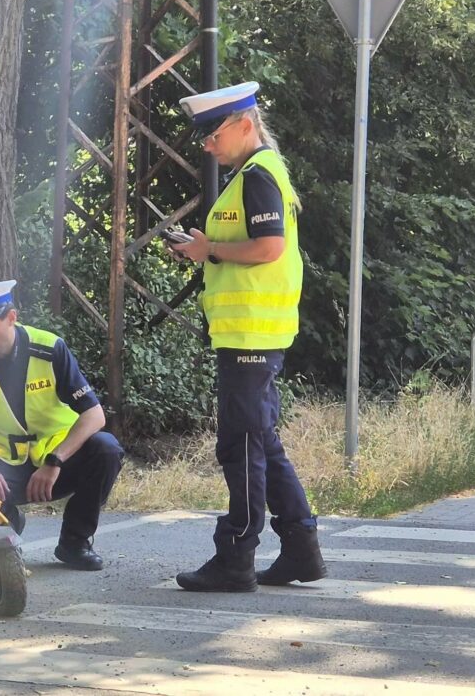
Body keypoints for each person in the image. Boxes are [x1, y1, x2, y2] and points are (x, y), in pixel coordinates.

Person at [168, 81, 328, 592]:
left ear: (244, 124)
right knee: (261, 441)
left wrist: (208, 250)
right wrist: (206, 247)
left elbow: (268, 248)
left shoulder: (258, 175)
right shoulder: (252, 174)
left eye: (212, 135)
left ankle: (236, 555)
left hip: (253, 334)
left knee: (240, 445)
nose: (206, 146)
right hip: (251, 332)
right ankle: (302, 549)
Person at [0, 280, 124, 571]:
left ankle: (74, 543)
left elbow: (95, 416)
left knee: (106, 449)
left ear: (11, 317)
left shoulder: (50, 349)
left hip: (57, 464)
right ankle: (9, 523)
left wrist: (55, 461)